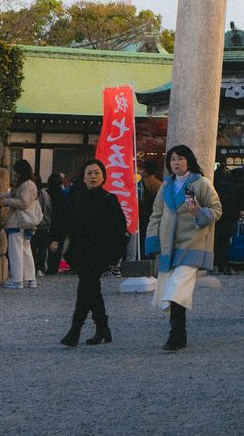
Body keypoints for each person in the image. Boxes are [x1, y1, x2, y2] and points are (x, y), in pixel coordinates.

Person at [144, 144, 222, 351]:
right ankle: (179, 334)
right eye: (172, 159)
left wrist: (198, 212)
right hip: (168, 245)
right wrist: (152, 240)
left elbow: (216, 209)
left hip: (192, 244)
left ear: (189, 161)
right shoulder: (165, 186)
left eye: (180, 158)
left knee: (177, 288)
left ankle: (176, 335)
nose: (176, 163)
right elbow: (156, 214)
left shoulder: (201, 183)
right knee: (171, 289)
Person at [61, 159, 129, 347]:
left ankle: (75, 330)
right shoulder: (75, 198)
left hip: (100, 254)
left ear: (103, 177)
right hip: (80, 252)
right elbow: (64, 221)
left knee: (85, 288)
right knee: (92, 290)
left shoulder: (109, 199)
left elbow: (119, 230)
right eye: (89, 173)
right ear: (83, 177)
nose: (93, 176)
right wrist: (56, 239)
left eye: (97, 173)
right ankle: (103, 328)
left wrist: (115, 255)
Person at [0, 160, 41, 289]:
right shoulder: (29, 184)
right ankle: (31, 280)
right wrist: (1, 196)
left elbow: (24, 203)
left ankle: (17, 280)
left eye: (17, 172)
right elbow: (12, 194)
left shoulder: (26, 185)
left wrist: (6, 201)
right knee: (26, 251)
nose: (16, 174)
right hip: (26, 224)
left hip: (18, 223)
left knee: (16, 252)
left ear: (21, 172)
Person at [45, 172, 72, 274]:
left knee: (48, 245)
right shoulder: (63, 195)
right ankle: (54, 267)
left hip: (49, 221)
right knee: (59, 246)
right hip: (61, 221)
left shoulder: (47, 193)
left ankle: (47, 266)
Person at [137, 159, 164, 255]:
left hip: (142, 216)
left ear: (145, 170)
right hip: (154, 216)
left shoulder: (140, 183)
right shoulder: (160, 184)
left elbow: (141, 200)